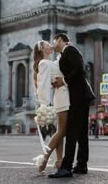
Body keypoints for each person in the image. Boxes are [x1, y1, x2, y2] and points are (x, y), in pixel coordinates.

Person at [48, 33, 95, 178]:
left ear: (61, 40)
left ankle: (66, 168)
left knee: (71, 130)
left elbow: (80, 70)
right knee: (81, 132)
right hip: (80, 96)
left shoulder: (70, 50)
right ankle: (81, 165)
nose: (52, 44)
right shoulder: (65, 54)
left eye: (54, 41)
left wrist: (64, 81)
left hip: (79, 96)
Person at [33, 40, 70, 173]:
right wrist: (44, 104)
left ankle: (59, 161)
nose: (51, 46)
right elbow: (42, 84)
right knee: (61, 131)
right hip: (58, 99)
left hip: (60, 97)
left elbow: (58, 68)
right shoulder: (44, 63)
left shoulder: (51, 62)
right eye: (48, 45)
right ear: (42, 49)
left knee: (60, 132)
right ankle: (44, 159)